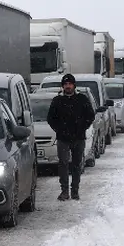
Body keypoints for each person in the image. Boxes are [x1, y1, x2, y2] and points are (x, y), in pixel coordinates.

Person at [46, 73, 96, 201]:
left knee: (77, 164)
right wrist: (59, 129)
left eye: (70, 84)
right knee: (63, 164)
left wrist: (82, 127)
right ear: (63, 86)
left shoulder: (82, 99)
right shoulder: (57, 101)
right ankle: (64, 191)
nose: (68, 86)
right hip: (63, 139)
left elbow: (90, 115)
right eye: (65, 84)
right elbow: (51, 118)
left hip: (78, 138)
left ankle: (75, 190)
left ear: (74, 85)